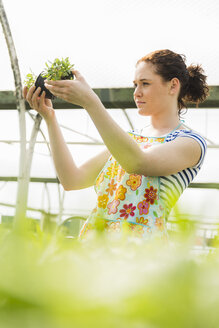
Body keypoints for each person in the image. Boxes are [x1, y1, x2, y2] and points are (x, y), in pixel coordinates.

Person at [23, 49, 209, 242]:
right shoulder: (130, 141)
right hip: (93, 249)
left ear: (173, 86)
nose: (137, 93)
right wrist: (50, 118)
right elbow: (72, 179)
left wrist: (90, 101)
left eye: (145, 84)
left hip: (140, 257)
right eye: (135, 85)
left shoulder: (190, 142)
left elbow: (138, 162)